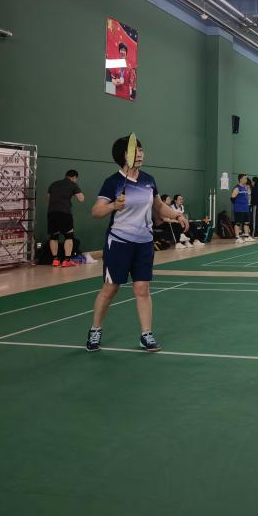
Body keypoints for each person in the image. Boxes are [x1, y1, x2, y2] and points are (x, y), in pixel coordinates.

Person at [86, 135, 188, 353]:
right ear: (123, 156)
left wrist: (177, 215)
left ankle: (146, 335)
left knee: (142, 288)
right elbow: (96, 211)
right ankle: (95, 329)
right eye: (135, 150)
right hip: (119, 242)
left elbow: (159, 207)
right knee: (110, 289)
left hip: (144, 242)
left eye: (141, 150)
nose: (140, 154)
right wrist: (113, 206)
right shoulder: (113, 182)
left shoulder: (148, 180)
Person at [46, 169, 85, 267]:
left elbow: (48, 199)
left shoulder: (53, 184)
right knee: (69, 236)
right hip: (64, 213)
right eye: (76, 179)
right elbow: (81, 199)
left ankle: (55, 260)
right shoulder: (73, 184)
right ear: (74, 177)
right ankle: (67, 260)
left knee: (53, 236)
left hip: (51, 212)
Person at [230, 174, 253, 242]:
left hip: (246, 208)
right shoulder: (237, 188)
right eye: (245, 178)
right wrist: (238, 205)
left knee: (246, 222)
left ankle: (246, 236)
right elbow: (232, 198)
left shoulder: (245, 188)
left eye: (246, 178)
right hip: (239, 209)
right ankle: (237, 238)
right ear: (240, 179)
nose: (246, 179)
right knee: (238, 223)